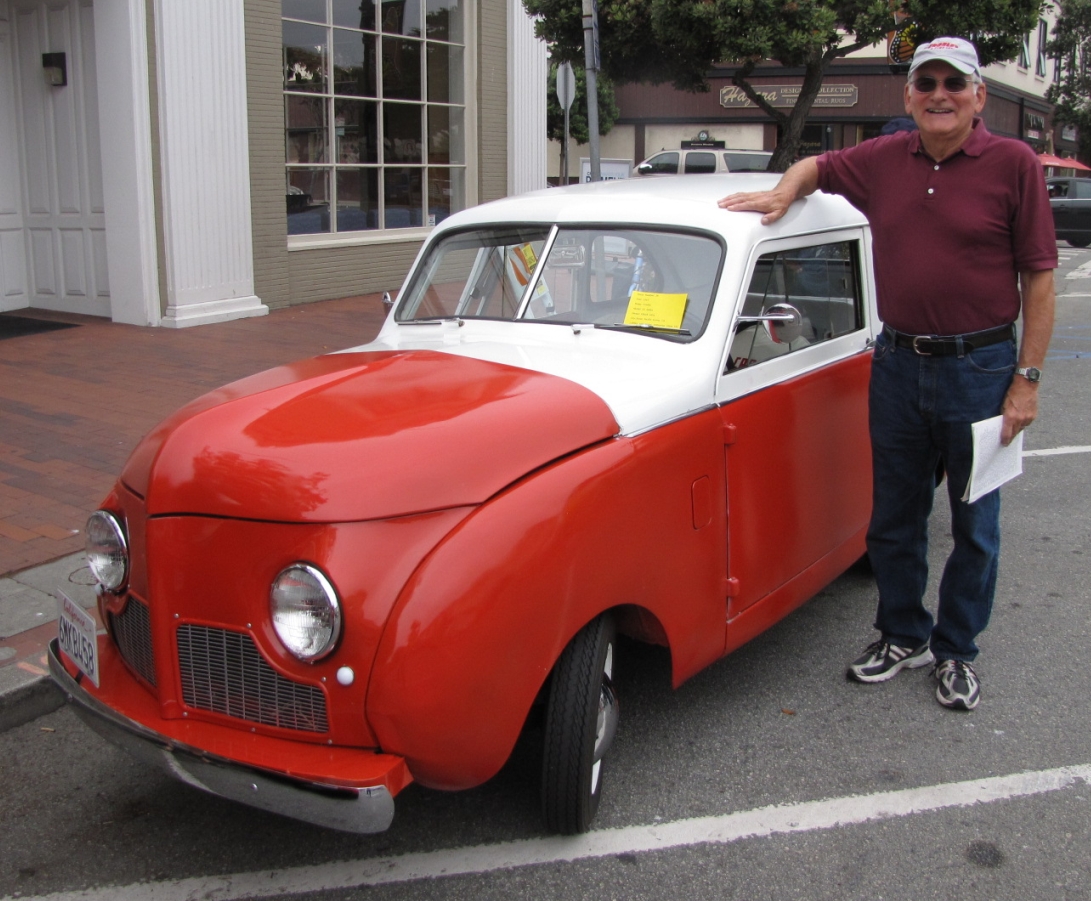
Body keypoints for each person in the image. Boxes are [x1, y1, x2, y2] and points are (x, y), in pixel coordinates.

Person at [718, 37, 1057, 711]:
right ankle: (902, 633)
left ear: (977, 96)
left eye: (953, 84)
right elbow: (817, 164)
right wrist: (785, 189)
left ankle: (956, 649)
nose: (938, 95)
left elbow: (1039, 279)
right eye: (925, 83)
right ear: (907, 95)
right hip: (899, 363)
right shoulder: (882, 159)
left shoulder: (1012, 163)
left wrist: (1026, 379)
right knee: (894, 518)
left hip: (981, 367)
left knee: (974, 523)